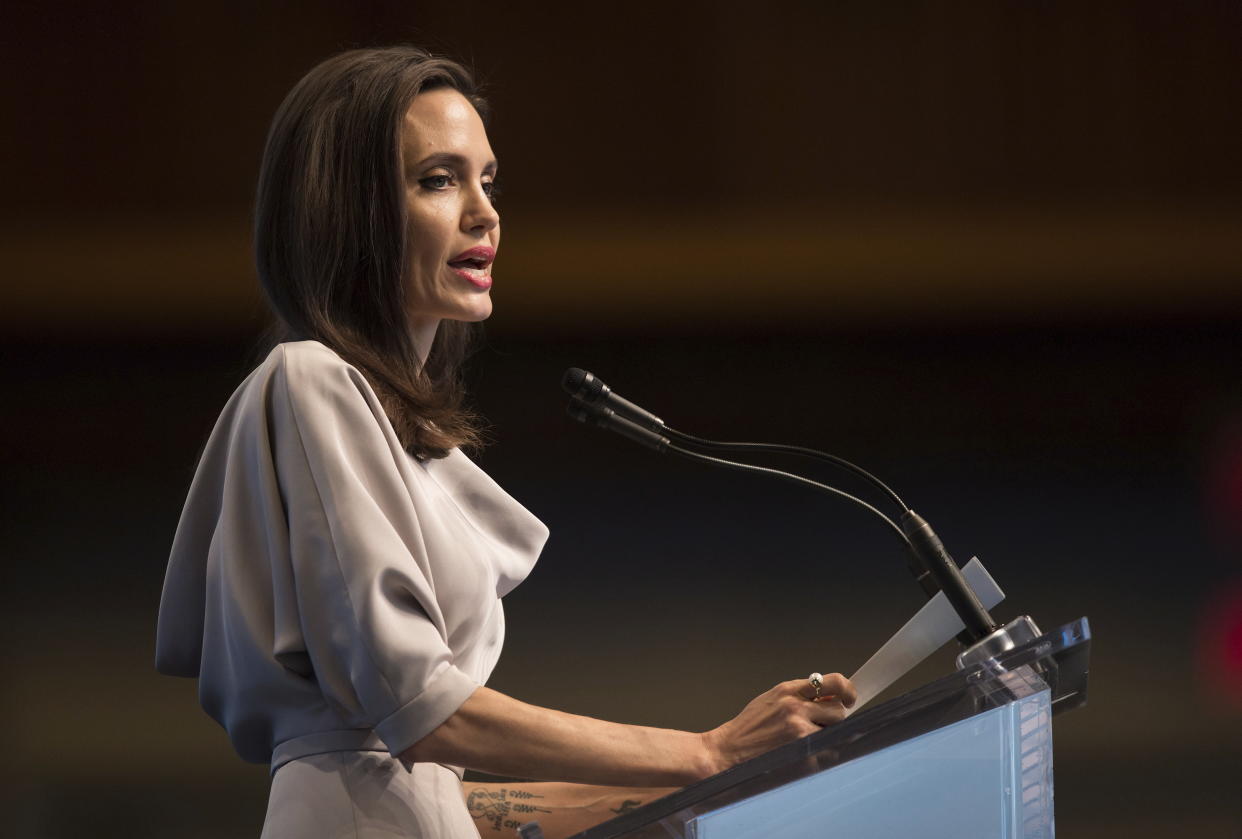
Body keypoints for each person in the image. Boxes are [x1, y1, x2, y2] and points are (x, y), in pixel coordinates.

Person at [154, 46, 857, 839]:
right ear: (346, 208)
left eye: (488, 180)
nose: (485, 213)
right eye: (439, 179)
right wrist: (699, 751)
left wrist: (729, 780)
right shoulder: (310, 378)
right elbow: (421, 711)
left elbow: (435, 791)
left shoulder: (397, 437)